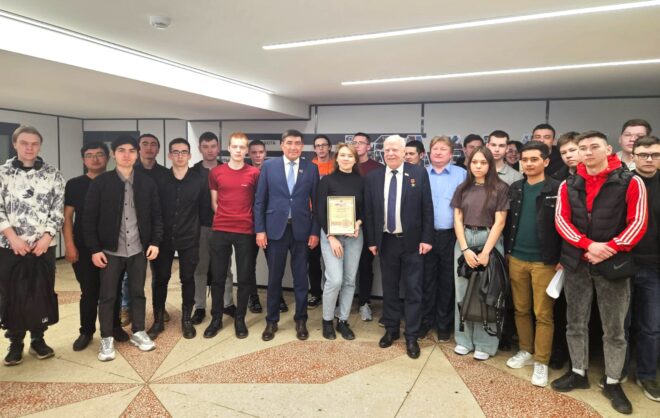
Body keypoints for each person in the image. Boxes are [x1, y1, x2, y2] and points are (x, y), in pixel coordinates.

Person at [552, 131, 647, 415]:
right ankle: (578, 372)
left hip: (613, 264)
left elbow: (638, 222)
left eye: (595, 146)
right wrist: (588, 245)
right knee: (575, 322)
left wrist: (610, 248)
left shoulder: (631, 181)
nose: (588, 152)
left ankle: (613, 381)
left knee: (614, 328)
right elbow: (561, 221)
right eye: (583, 148)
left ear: (608, 149)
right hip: (578, 263)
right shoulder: (569, 184)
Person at [83, 134, 163, 362]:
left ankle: (138, 331)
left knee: (138, 293)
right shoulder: (101, 183)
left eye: (131, 151)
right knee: (108, 296)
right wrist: (94, 249)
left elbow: (157, 215)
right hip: (110, 251)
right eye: (121, 150)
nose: (127, 155)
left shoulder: (147, 183)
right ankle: (106, 337)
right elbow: (88, 219)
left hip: (138, 249)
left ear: (137, 154)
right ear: (113, 154)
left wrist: (155, 242)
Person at [364, 135, 434, 359]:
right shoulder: (374, 177)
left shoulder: (418, 174)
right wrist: (372, 241)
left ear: (404, 152)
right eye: (387, 150)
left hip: (413, 242)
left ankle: (411, 335)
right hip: (386, 241)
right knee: (390, 289)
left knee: (413, 289)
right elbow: (369, 211)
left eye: (395, 149)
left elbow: (427, 208)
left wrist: (427, 238)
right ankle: (391, 329)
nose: (391, 153)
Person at [1, 125, 65, 366]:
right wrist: (12, 237)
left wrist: (47, 237)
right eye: (24, 143)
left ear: (40, 146)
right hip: (9, 246)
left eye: (34, 143)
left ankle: (38, 339)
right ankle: (15, 342)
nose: (29, 148)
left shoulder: (53, 175)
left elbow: (57, 210)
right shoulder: (2, 173)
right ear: (15, 144)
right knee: (12, 293)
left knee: (41, 291)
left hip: (43, 246)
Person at [503, 142, 562, 387]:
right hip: (516, 257)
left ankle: (541, 361)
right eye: (524, 159)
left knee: (543, 314)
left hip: (545, 262)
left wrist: (563, 258)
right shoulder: (516, 188)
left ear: (546, 162)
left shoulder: (557, 188)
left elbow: (565, 224)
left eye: (534, 159)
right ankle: (526, 350)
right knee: (521, 309)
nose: (528, 163)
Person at [254, 129, 320, 341]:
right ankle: (271, 321)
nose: (293, 147)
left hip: (302, 230)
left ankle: (301, 320)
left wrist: (315, 231)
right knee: (274, 278)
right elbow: (260, 200)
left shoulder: (311, 168)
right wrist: (260, 230)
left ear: (302, 146)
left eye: (298, 143)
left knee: (301, 278)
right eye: (289, 142)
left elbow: (317, 204)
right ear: (282, 145)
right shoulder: (269, 166)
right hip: (275, 230)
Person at [64, 141, 126, 352]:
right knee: (89, 291)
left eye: (99, 154)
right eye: (89, 155)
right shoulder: (75, 184)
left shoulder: (118, 181)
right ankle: (86, 331)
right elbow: (67, 217)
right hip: (83, 246)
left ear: (108, 157)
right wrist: (69, 245)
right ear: (83, 159)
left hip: (112, 246)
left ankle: (115, 326)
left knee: (113, 290)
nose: (95, 159)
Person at [451, 146, 509, 361]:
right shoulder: (462, 188)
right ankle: (464, 340)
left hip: (489, 239)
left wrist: (486, 252)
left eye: (483, 162)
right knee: (462, 291)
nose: (478, 166)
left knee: (488, 293)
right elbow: (457, 219)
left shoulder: (500, 188)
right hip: (465, 238)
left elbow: (500, 221)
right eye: (474, 162)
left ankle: (485, 343)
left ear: (490, 164)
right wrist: (465, 249)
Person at [148, 138, 209, 340]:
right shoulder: (160, 179)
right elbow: (154, 210)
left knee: (188, 279)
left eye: (184, 152)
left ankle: (186, 319)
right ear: (169, 155)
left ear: (190, 155)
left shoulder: (199, 180)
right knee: (160, 279)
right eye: (176, 152)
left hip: (189, 237)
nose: (180, 155)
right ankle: (158, 320)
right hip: (163, 238)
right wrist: (154, 239)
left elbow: (203, 210)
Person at [205, 133, 260, 339]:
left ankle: (240, 319)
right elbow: (214, 203)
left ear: (247, 150)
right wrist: (226, 217)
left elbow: (258, 202)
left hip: (245, 230)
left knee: (244, 277)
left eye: (242, 147)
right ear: (228, 148)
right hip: (220, 229)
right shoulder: (216, 172)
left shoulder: (254, 173)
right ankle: (216, 318)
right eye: (235, 146)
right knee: (218, 277)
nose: (238, 150)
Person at [419, 136, 466, 342]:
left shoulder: (461, 174)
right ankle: (425, 322)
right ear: (430, 152)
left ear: (451, 153)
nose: (438, 152)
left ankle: (443, 325)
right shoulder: (420, 173)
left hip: (451, 236)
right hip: (425, 236)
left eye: (443, 149)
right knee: (426, 281)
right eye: (435, 149)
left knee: (447, 281)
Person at [316, 143, 364, 340]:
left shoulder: (362, 182)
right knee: (334, 279)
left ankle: (343, 320)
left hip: (354, 237)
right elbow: (320, 211)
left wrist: (358, 223)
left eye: (350, 156)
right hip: (331, 237)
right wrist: (331, 237)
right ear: (336, 158)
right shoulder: (327, 181)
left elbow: (366, 209)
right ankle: (327, 320)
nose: (345, 158)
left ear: (355, 159)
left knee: (349, 281)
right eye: (342, 155)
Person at [190, 132, 235, 325]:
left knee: (225, 269)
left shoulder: (228, 169)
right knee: (200, 269)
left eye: (213, 146)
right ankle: (200, 307)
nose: (209, 150)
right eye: (205, 146)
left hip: (223, 227)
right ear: (200, 148)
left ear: (219, 148)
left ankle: (227, 303)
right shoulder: (192, 173)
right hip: (201, 228)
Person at [628, 135, 660, 401]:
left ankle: (647, 375)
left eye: (655, 155)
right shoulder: (622, 183)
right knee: (620, 324)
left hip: (654, 266)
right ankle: (618, 371)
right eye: (643, 155)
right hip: (623, 264)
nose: (649, 159)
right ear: (633, 156)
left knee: (651, 326)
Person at [352, 132, 383, 321]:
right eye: (354, 142)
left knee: (365, 265)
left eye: (361, 142)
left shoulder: (377, 168)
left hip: (368, 224)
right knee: (344, 268)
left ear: (368, 146)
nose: (357, 145)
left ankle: (364, 303)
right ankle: (341, 304)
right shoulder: (346, 165)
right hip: (345, 224)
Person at [308, 135, 334, 309]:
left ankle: (332, 295)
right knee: (312, 258)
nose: (321, 148)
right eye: (318, 146)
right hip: (311, 217)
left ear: (329, 147)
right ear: (314, 149)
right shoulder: (308, 167)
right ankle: (316, 293)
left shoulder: (336, 165)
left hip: (332, 217)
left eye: (324, 145)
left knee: (332, 260)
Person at [246, 139, 269, 314]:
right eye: (254, 152)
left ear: (265, 153)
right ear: (249, 154)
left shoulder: (273, 171)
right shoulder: (245, 172)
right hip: (249, 225)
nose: (257, 155)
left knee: (274, 263)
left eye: (260, 152)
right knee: (248, 264)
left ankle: (277, 296)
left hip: (269, 225)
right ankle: (252, 297)